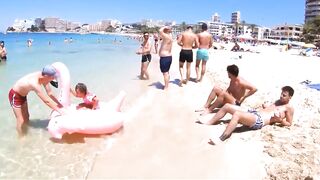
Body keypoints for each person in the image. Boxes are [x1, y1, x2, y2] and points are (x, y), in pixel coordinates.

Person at [200, 86, 294, 145]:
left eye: (284, 95)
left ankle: (222, 138)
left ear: (290, 97)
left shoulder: (289, 108)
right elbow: (269, 109)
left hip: (259, 120)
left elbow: (289, 123)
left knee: (237, 114)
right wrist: (266, 106)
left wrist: (280, 120)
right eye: (281, 94)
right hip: (254, 112)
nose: (281, 96)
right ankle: (209, 122)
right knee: (227, 106)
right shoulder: (278, 101)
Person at [8, 65, 66, 137]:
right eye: (52, 77)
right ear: (46, 76)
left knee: (27, 116)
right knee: (20, 119)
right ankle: (21, 137)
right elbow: (46, 101)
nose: (53, 79)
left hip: (23, 95)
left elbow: (50, 93)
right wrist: (59, 111)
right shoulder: (34, 83)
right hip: (15, 95)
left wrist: (59, 104)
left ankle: (27, 130)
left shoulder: (44, 78)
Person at [158, 26, 173, 90]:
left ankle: (166, 87)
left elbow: (160, 30)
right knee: (167, 72)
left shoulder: (167, 37)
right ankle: (167, 85)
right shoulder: (170, 37)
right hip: (168, 57)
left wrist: (164, 27)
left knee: (165, 73)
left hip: (165, 57)